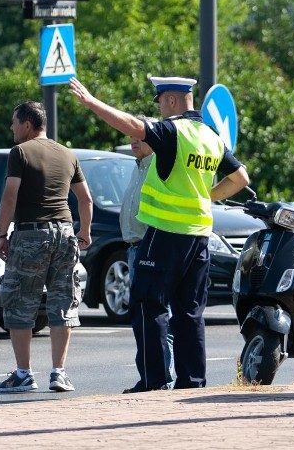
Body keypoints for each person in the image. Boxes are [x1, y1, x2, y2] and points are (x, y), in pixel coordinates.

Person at [69, 76, 250, 392]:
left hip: (165, 234)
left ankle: (154, 382)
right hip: (199, 237)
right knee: (190, 313)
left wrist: (91, 102)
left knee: (146, 304)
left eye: (162, 101)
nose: (161, 109)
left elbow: (132, 126)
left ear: (172, 100)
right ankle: (192, 382)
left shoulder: (173, 131)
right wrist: (209, 195)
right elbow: (240, 178)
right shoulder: (210, 136)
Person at [0, 101, 93, 394]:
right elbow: (85, 200)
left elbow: (10, 195)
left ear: (26, 124)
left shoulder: (20, 152)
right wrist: (83, 231)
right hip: (64, 233)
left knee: (20, 301)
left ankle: (23, 374)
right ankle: (59, 373)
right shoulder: (67, 154)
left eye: (14, 122)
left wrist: (2, 234)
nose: (12, 127)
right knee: (63, 301)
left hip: (31, 234)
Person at [120, 116, 175, 388]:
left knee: (156, 317)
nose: (134, 141)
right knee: (144, 318)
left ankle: (159, 378)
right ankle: (152, 376)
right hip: (135, 248)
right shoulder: (139, 165)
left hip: (150, 247)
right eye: (132, 136)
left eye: (140, 137)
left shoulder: (156, 165)